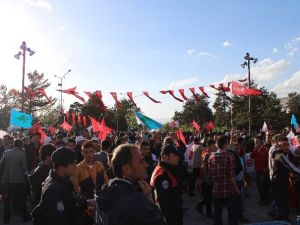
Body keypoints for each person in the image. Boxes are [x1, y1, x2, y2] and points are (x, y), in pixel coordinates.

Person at [95, 144, 166, 225]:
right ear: (127, 169)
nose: (146, 165)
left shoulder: (103, 194)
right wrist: (149, 200)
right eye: (141, 161)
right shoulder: (137, 202)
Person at [31, 147, 92, 225]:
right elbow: (59, 220)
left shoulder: (63, 180)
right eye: (72, 163)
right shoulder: (55, 190)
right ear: (61, 166)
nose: (75, 165)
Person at [208, 135, 240, 225]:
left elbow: (210, 174)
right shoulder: (229, 156)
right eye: (227, 143)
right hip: (228, 190)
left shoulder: (211, 157)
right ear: (225, 144)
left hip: (216, 190)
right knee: (233, 214)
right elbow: (231, 176)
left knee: (217, 215)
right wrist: (237, 189)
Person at [150, 144, 182, 225]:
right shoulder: (162, 175)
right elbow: (162, 203)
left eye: (177, 155)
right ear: (165, 157)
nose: (177, 157)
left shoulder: (167, 169)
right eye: (174, 155)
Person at [0, 139, 30, 223]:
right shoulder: (22, 153)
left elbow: (1, 165)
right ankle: (25, 217)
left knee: (6, 201)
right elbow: (24, 167)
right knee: (20, 199)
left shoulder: (6, 153)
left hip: (7, 179)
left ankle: (6, 219)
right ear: (20, 145)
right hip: (18, 180)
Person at [28, 143, 56, 208]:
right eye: (53, 156)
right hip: (42, 209)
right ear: (48, 157)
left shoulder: (39, 168)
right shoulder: (46, 171)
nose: (55, 159)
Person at [271, 136, 291, 221]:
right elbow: (275, 159)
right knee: (282, 204)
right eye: (284, 145)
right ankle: (282, 220)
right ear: (279, 145)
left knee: (285, 204)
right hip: (278, 182)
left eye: (287, 144)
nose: (287, 146)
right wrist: (279, 152)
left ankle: (284, 219)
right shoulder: (278, 154)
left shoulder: (288, 153)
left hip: (285, 182)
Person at [196, 139, 216, 218]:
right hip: (207, 178)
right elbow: (204, 166)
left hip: (206, 177)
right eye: (213, 145)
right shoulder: (207, 154)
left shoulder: (206, 152)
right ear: (209, 145)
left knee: (208, 196)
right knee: (208, 196)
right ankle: (200, 206)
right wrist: (207, 178)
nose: (214, 146)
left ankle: (208, 213)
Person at [250, 135, 270, 205]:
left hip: (264, 171)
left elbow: (268, 160)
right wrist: (255, 150)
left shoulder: (265, 149)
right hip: (257, 170)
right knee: (259, 185)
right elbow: (251, 156)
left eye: (257, 141)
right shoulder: (255, 148)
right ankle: (262, 198)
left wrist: (266, 169)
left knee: (263, 185)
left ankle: (264, 199)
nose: (256, 143)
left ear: (261, 141)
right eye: (255, 141)